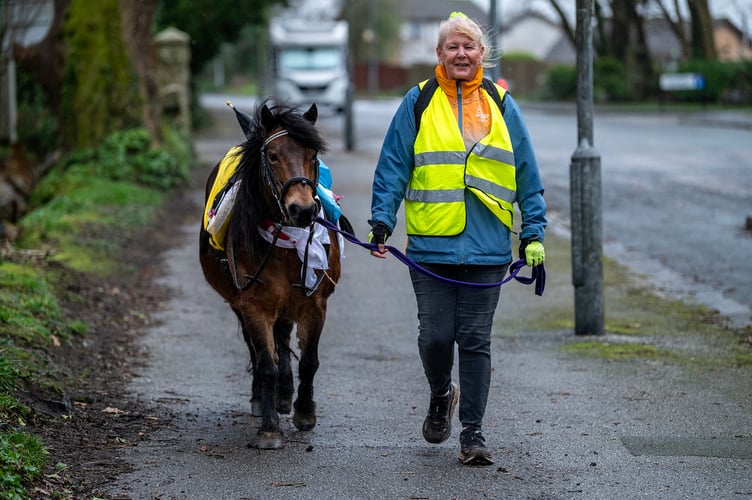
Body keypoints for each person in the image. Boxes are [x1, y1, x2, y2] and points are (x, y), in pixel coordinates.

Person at [368, 12, 546, 466]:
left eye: (469, 46)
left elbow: (526, 170)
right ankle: (440, 392)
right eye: (453, 47)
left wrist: (533, 231)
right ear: (439, 54)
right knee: (434, 337)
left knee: (474, 340)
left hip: (488, 246)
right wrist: (381, 221)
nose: (461, 54)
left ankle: (473, 434)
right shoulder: (418, 101)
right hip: (431, 245)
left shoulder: (502, 103)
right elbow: (393, 166)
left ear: (481, 53)